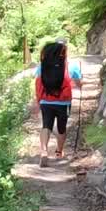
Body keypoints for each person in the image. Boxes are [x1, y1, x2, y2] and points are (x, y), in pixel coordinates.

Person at [33, 39, 83, 167]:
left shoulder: (43, 65)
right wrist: (81, 84)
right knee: (61, 128)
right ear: (65, 50)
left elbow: (38, 83)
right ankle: (59, 152)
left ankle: (44, 151)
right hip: (63, 102)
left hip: (46, 101)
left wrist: (37, 102)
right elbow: (78, 83)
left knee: (46, 126)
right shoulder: (71, 66)